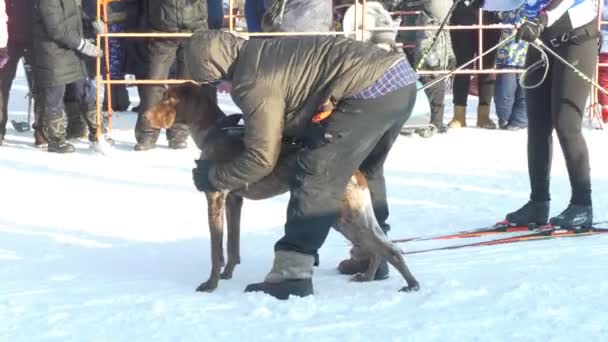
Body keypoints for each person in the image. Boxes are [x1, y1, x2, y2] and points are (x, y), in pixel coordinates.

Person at [186, 31, 418, 299]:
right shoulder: (261, 52)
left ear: (217, 65)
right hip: (399, 80)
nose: (220, 87)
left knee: (316, 173)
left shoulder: (251, 81)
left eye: (215, 80)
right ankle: (371, 253)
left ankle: (291, 274)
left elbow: (262, 157)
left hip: (367, 90)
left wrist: (216, 176)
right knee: (364, 169)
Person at [481, 0, 598, 229]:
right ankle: (538, 202)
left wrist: (543, 18)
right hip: (540, 37)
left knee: (566, 124)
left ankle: (582, 205)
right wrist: (481, 2)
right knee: (537, 125)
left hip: (576, 37)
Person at [133, 0, 209, 151]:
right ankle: (147, 132)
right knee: (154, 83)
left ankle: (178, 133)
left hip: (194, 28)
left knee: (186, 85)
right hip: (162, 29)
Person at [32, 0, 105, 153]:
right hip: (52, 53)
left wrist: (91, 23)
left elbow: (75, 16)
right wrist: (83, 45)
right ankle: (56, 139)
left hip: (72, 50)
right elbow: (56, 29)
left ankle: (97, 132)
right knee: (55, 97)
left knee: (85, 92)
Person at [449, 0, 500, 129]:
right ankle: (458, 115)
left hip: (490, 16)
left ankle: (484, 116)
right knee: (463, 66)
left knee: (487, 67)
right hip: (463, 16)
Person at [493, 5, 529, 130]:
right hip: (507, 52)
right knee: (505, 88)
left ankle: (520, 120)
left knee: (526, 89)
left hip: (530, 50)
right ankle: (504, 118)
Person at [598, 0, 608, 123]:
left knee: (604, 77)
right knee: (604, 76)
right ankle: (605, 106)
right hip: (605, 44)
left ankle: (605, 106)